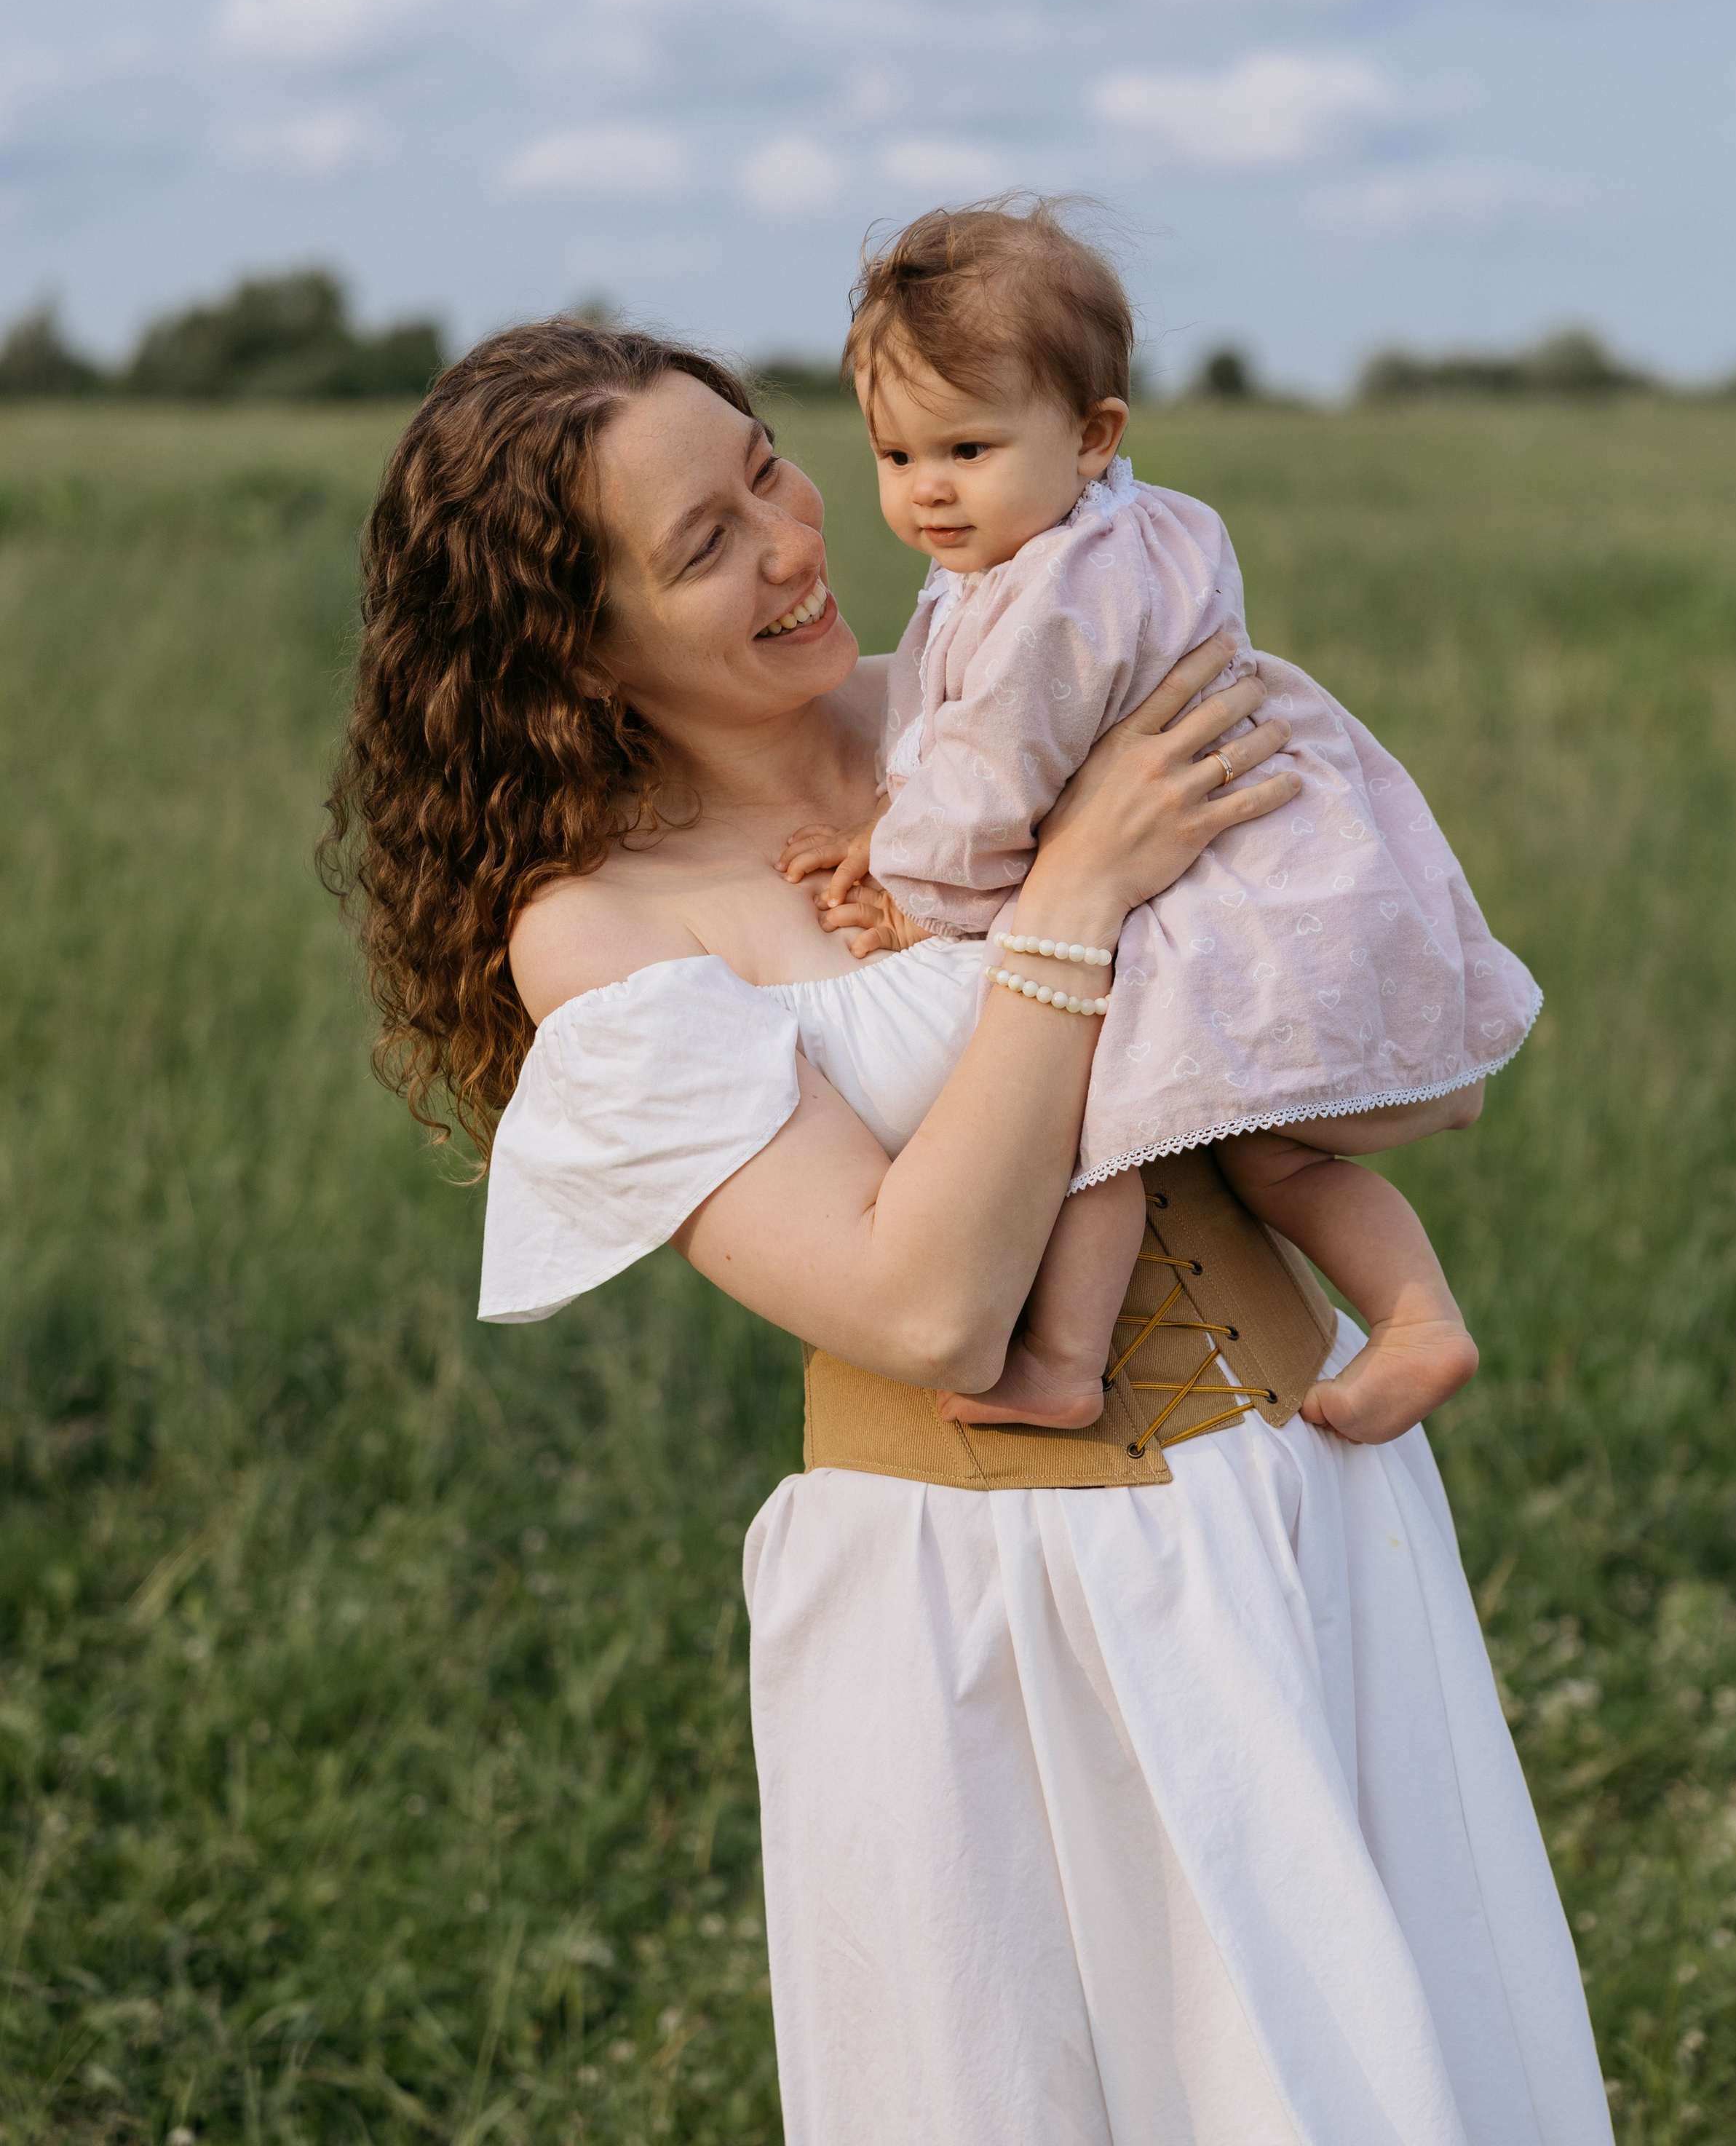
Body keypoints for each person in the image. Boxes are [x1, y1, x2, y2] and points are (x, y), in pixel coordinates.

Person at [325, 315, 1614, 2146]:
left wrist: (1204, 936)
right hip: (999, 1603)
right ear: (569, 645)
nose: (791, 540)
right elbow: (922, 1309)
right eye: (701, 545)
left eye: (768, 462)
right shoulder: (602, 933)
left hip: (1304, 1501)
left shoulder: (999, 676)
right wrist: (1077, 890)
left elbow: (1413, 1076)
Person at [780, 198, 1538, 1440]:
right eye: (896, 457)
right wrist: (885, 827)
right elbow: (979, 743)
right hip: (1239, 864)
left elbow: (998, 776)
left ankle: (1066, 1363)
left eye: (966, 450)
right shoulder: (1111, 530)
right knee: (1271, 1157)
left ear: (1090, 434)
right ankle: (1419, 1316)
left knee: (1094, 1125)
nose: (927, 493)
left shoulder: (1056, 593)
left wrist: (916, 899)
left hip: (1212, 891)